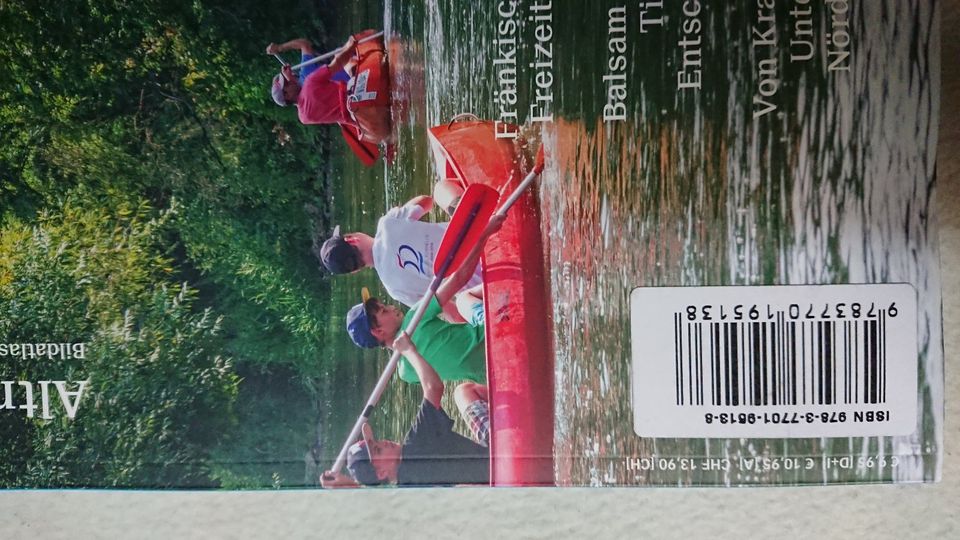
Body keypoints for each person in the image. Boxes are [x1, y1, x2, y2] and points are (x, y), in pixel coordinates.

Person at [343, 214, 505, 384]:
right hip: (494, 336)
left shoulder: (406, 373)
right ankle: (509, 287)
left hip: (492, 376)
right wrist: (484, 234)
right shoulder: (415, 318)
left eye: (385, 305)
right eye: (384, 310)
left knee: (463, 391)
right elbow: (459, 279)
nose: (392, 307)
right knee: (464, 298)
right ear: (378, 331)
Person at [320, 332, 490, 487]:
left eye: (377, 442)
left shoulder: (407, 492)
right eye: (378, 449)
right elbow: (434, 387)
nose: (384, 441)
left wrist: (350, 486)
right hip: (499, 459)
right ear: (381, 472)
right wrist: (408, 350)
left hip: (492, 483)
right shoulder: (416, 445)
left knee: (462, 393)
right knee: (466, 391)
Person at [315, 194, 483, 308]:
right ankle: (481, 207)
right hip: (481, 235)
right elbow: (427, 201)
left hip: (481, 283)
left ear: (355, 271)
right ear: (352, 239)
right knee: (441, 189)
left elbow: (448, 309)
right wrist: (401, 211)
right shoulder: (387, 223)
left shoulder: (394, 290)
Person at [266, 30, 391, 144]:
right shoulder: (310, 82)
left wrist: (289, 78)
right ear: (287, 95)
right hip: (362, 95)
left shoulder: (303, 117)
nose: (289, 80)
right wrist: (350, 44)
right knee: (342, 53)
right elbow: (338, 62)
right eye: (286, 84)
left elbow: (301, 93)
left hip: (360, 120)